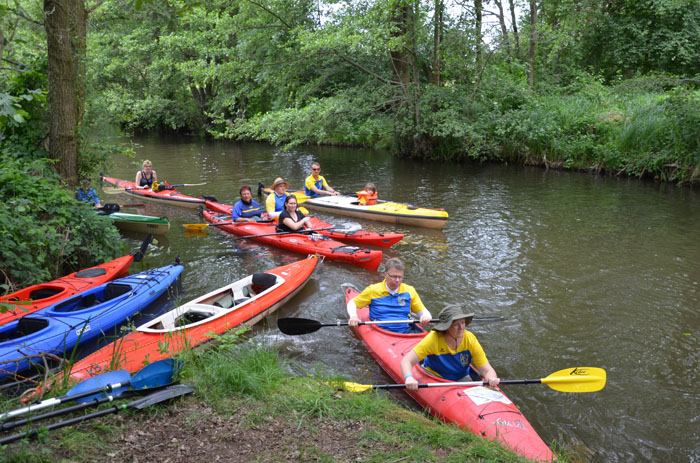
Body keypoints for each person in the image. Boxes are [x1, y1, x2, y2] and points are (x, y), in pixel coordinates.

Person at [400, 305, 500, 390]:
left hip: (462, 378)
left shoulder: (470, 339)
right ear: (446, 327)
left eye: (463, 323)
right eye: (456, 324)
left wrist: (491, 378)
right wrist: (409, 378)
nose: (461, 328)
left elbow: (487, 370)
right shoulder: (434, 338)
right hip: (435, 377)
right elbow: (406, 361)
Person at [347, 258, 432, 333]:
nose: (398, 280)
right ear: (385, 275)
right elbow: (352, 303)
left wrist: (426, 317)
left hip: (405, 331)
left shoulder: (410, 291)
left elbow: (424, 312)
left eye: (400, 277)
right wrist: (353, 316)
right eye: (394, 277)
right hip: (380, 331)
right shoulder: (372, 290)